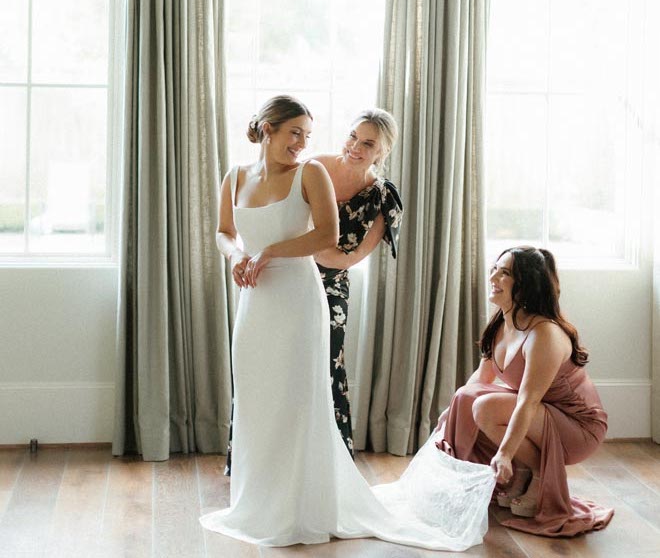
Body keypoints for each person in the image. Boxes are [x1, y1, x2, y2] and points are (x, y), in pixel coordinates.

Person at [200, 95, 496, 551]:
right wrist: (237, 253)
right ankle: (257, 499)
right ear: (266, 129)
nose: (302, 143)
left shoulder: (311, 173)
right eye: (294, 132)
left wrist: (269, 252)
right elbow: (223, 231)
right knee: (258, 396)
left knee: (301, 397)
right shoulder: (235, 176)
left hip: (299, 297)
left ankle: (302, 505)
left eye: (306, 135)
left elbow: (331, 238)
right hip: (254, 305)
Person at [435, 245, 614, 537]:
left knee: (484, 408)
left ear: (525, 285)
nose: (493, 276)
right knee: (468, 401)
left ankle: (541, 475)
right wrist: (450, 413)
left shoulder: (544, 333)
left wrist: (504, 453)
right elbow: (479, 382)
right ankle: (524, 472)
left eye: (505, 273)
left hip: (578, 426)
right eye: (495, 268)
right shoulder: (500, 325)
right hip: (542, 416)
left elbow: (528, 402)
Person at [313, 108, 403, 455]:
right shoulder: (313, 168)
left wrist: (312, 255)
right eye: (353, 136)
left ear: (382, 151)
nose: (355, 146)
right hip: (287, 272)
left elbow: (353, 256)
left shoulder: (382, 197)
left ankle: (328, 453)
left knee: (328, 355)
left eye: (367, 143)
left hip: (333, 282)